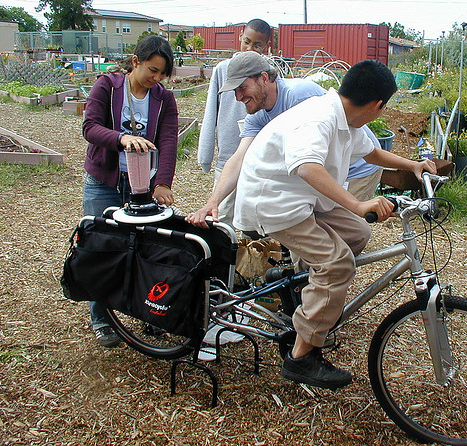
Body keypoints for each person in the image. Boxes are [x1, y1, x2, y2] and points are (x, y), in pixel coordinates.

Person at [233, 60, 437, 390]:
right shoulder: (319, 117)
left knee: (358, 232)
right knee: (337, 262)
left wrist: (413, 165)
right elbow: (307, 167)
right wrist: (357, 203)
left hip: (303, 198)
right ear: (377, 105)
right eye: (386, 108)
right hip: (274, 203)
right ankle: (301, 358)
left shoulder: (347, 120)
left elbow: (371, 153)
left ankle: (302, 290)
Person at [82, 35, 178, 348]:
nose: (157, 78)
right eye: (152, 69)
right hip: (105, 182)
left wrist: (162, 182)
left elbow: (168, 141)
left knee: (145, 251)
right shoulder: (107, 87)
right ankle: (103, 320)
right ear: (135, 62)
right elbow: (90, 128)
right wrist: (122, 139)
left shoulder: (164, 99)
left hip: (141, 186)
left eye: (162, 73)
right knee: (103, 249)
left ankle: (148, 314)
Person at [187, 50, 326, 227]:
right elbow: (239, 158)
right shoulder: (257, 114)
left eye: (242, 88)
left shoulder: (298, 97)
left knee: (337, 233)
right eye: (235, 91)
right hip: (315, 169)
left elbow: (321, 155)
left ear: (264, 78)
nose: (238, 97)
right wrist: (213, 202)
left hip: (353, 166)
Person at [196, 19, 272, 225]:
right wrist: (205, 155)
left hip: (260, 158)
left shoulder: (269, 72)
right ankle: (220, 255)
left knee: (257, 216)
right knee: (221, 214)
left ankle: (255, 254)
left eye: (257, 45)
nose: (250, 48)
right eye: (247, 41)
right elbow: (211, 111)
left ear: (267, 46)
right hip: (229, 153)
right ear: (240, 36)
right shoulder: (223, 69)